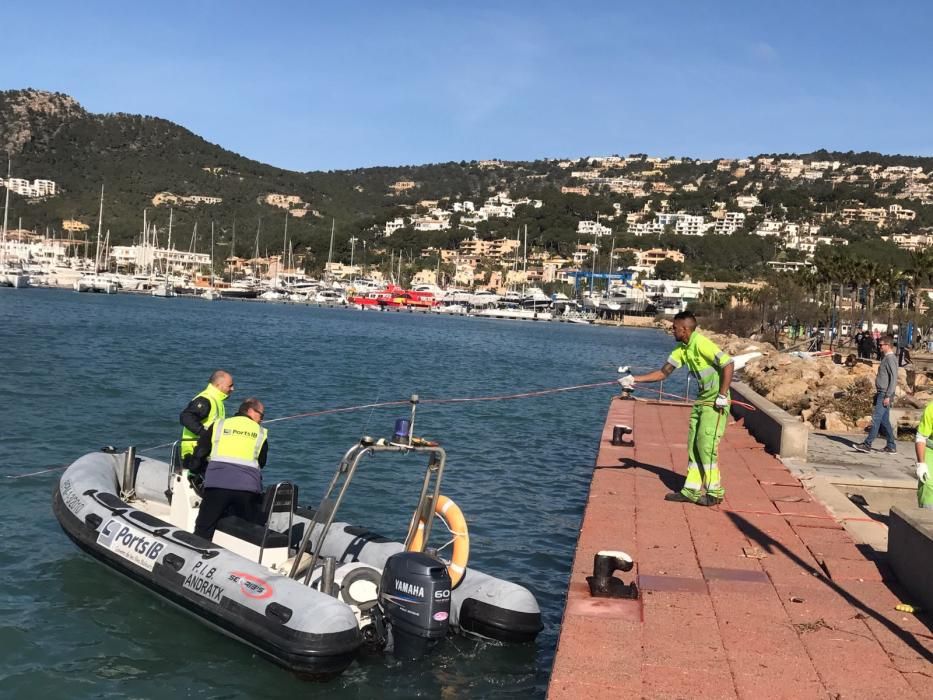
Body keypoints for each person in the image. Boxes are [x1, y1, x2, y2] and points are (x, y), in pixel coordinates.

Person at [619, 311, 734, 506]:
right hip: (702, 401)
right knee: (693, 447)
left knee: (706, 446)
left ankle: (715, 492)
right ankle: (691, 490)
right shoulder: (682, 349)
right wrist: (634, 379)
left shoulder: (701, 343)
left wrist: (722, 395)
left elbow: (728, 364)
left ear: (685, 329)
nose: (672, 330)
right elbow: (663, 373)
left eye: (674, 328)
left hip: (715, 403)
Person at [191, 397, 269, 540]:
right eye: (261, 415)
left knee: (204, 526)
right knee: (250, 529)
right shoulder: (260, 432)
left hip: (217, 485)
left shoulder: (219, 425)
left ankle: (198, 550)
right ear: (250, 411)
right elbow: (262, 462)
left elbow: (201, 452)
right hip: (248, 489)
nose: (262, 419)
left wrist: (195, 468)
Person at [179, 370, 235, 468]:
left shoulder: (217, 400)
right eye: (230, 386)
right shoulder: (206, 400)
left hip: (204, 452)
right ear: (218, 385)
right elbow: (186, 417)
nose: (233, 388)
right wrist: (204, 434)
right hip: (194, 453)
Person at [854, 334, 898, 454]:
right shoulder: (886, 358)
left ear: (888, 345)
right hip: (882, 392)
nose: (879, 347)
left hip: (884, 394)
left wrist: (888, 396)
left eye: (881, 345)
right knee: (884, 421)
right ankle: (891, 445)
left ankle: (867, 444)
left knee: (876, 418)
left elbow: (894, 378)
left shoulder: (890, 359)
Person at [915, 399, 933, 509]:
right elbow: (921, 437)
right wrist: (921, 464)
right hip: (931, 450)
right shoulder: (931, 409)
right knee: (927, 483)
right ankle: (926, 517)